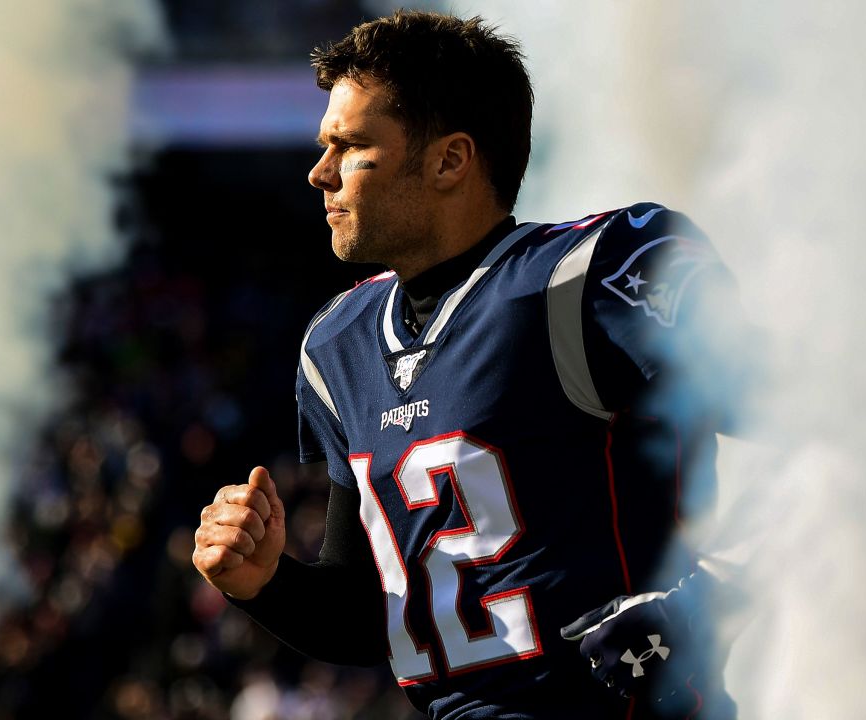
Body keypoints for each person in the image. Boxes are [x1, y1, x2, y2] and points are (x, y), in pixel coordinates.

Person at [192, 11, 759, 719]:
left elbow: (846, 429)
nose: (320, 173)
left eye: (352, 145)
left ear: (450, 160)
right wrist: (265, 582)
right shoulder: (338, 342)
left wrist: (703, 600)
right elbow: (372, 618)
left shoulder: (589, 277)